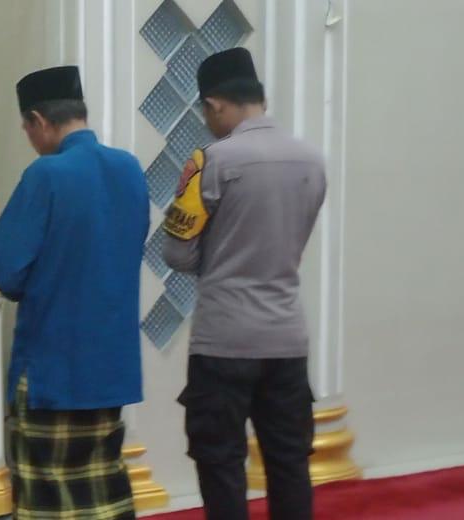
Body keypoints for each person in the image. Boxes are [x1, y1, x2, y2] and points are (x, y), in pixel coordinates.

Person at [163, 48, 328, 520]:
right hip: (287, 337)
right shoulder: (312, 160)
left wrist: (221, 256)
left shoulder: (210, 161)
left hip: (224, 339)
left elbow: (177, 254)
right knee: (289, 461)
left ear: (214, 104)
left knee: (221, 462)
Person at [0, 65, 148, 520]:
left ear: (39, 120)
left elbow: (7, 271)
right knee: (103, 496)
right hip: (110, 369)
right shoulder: (128, 168)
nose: (29, 138)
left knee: (48, 501)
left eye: (27, 129)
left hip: (52, 371)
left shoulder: (46, 174)